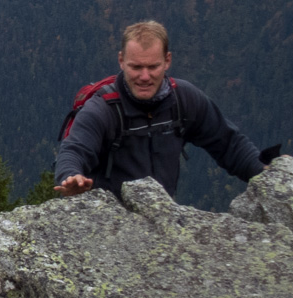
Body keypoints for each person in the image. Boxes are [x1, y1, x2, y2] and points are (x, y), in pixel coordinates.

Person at [54, 20, 265, 200]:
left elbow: (229, 144)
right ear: (121, 61)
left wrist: (265, 175)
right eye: (136, 67)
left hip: (161, 224)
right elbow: (74, 150)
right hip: (109, 228)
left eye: (153, 67)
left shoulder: (184, 99)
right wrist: (71, 176)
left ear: (167, 61)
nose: (144, 77)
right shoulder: (102, 109)